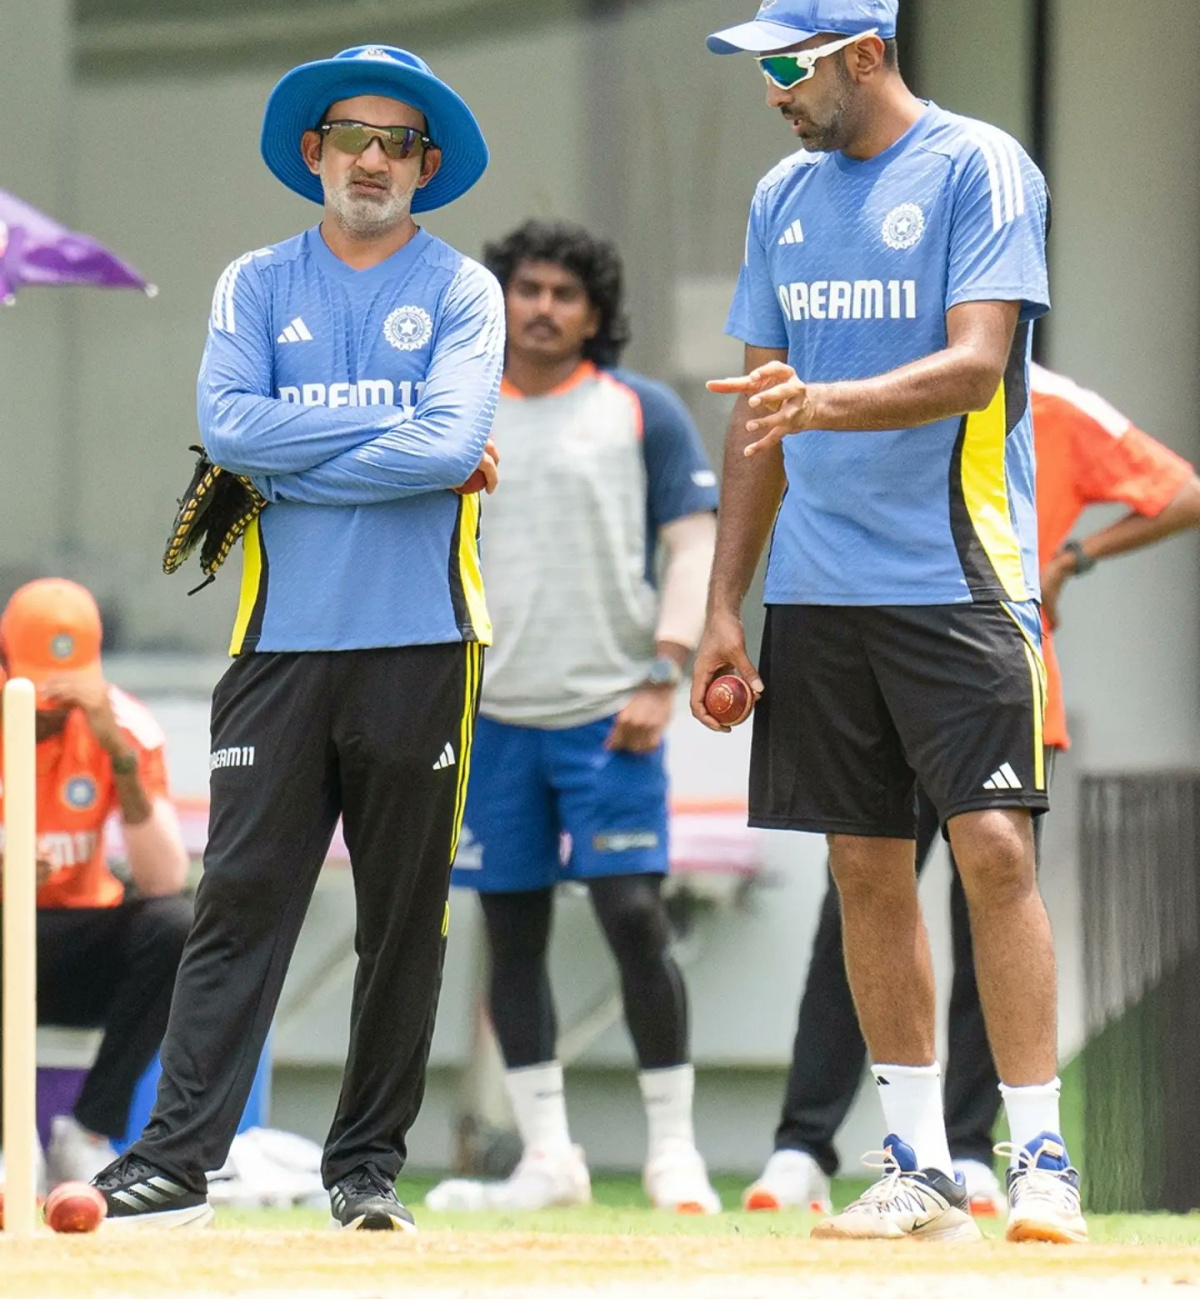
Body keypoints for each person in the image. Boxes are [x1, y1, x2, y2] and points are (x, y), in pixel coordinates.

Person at [90, 45, 505, 1230]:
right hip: (277, 646)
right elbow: (226, 433)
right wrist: (398, 428)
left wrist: (295, 455)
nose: (373, 160)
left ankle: (364, 1171)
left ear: (425, 167)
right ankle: (175, 1159)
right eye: (352, 137)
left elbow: (450, 446)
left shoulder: (464, 291)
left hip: (425, 640)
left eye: (398, 143)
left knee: (402, 922)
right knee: (240, 904)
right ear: (314, 152)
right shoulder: (256, 285)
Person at [696, 0, 1085, 1243]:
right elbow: (758, 413)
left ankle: (1038, 1161)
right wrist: (721, 611)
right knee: (862, 866)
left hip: (961, 577)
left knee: (995, 853)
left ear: (867, 54)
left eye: (791, 66)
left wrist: (822, 403)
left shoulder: (979, 165)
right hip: (815, 594)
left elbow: (978, 365)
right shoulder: (780, 197)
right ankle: (915, 1166)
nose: (774, 93)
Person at [742, 364, 1200, 1217]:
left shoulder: (1053, 398)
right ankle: (807, 1143)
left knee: (983, 894)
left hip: (992, 678)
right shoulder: (867, 373)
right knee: (861, 894)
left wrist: (1071, 559)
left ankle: (982, 1147)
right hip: (872, 659)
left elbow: (1181, 490)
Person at [424, 220, 722, 1214]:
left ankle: (674, 1152)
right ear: (500, 301)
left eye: (565, 293)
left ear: (595, 312)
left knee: (635, 920)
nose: (543, 307)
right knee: (509, 934)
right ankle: (548, 1159)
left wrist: (664, 672)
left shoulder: (642, 411)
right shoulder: (459, 414)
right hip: (493, 717)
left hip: (611, 714)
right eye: (526, 289)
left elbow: (693, 547)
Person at [0, 578, 192, 1190]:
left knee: (176, 926)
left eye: (65, 693)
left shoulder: (125, 725)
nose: (53, 712)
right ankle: (9, 1143)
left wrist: (120, 761)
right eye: (37, 692)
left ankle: (85, 1133)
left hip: (82, 942)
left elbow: (165, 878)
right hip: (7, 933)